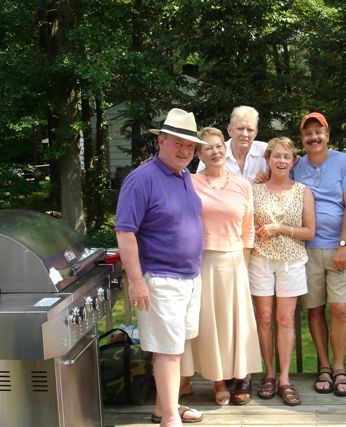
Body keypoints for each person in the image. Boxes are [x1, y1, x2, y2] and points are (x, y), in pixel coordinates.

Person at [115, 108, 206, 426]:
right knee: (168, 351)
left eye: (190, 146)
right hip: (161, 279)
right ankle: (170, 418)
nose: (185, 150)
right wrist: (136, 281)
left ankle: (163, 406)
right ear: (161, 141)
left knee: (174, 347)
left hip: (190, 276)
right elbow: (125, 231)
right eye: (178, 143)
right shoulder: (141, 179)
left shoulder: (184, 176)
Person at [183, 127, 262, 406]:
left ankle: (241, 376)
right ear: (199, 154)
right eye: (208, 148)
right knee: (209, 324)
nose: (215, 151)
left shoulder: (242, 185)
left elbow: (248, 229)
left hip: (235, 260)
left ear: (224, 149)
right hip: (202, 260)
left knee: (236, 323)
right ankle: (217, 381)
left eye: (218, 146)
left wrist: (244, 261)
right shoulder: (189, 182)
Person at [293, 112, 346, 396]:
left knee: (340, 308)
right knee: (314, 309)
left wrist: (343, 246)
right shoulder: (297, 166)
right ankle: (323, 366)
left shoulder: (345, 161)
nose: (313, 137)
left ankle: (339, 367)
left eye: (318, 131)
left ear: (327, 133)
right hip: (306, 250)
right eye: (308, 133)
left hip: (339, 249)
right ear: (302, 139)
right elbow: (276, 178)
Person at [250, 137, 316, 406]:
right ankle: (269, 374)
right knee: (265, 318)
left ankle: (286, 378)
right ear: (268, 159)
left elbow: (310, 232)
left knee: (286, 320)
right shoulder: (254, 191)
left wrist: (280, 229)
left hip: (291, 261)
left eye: (286, 157)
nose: (281, 161)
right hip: (261, 259)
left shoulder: (303, 191)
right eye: (276, 156)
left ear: (293, 161)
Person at [197, 105, 268, 182]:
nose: (245, 134)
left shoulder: (266, 151)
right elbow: (200, 183)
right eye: (240, 128)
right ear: (230, 130)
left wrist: (269, 178)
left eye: (250, 130)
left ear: (256, 132)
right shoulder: (215, 153)